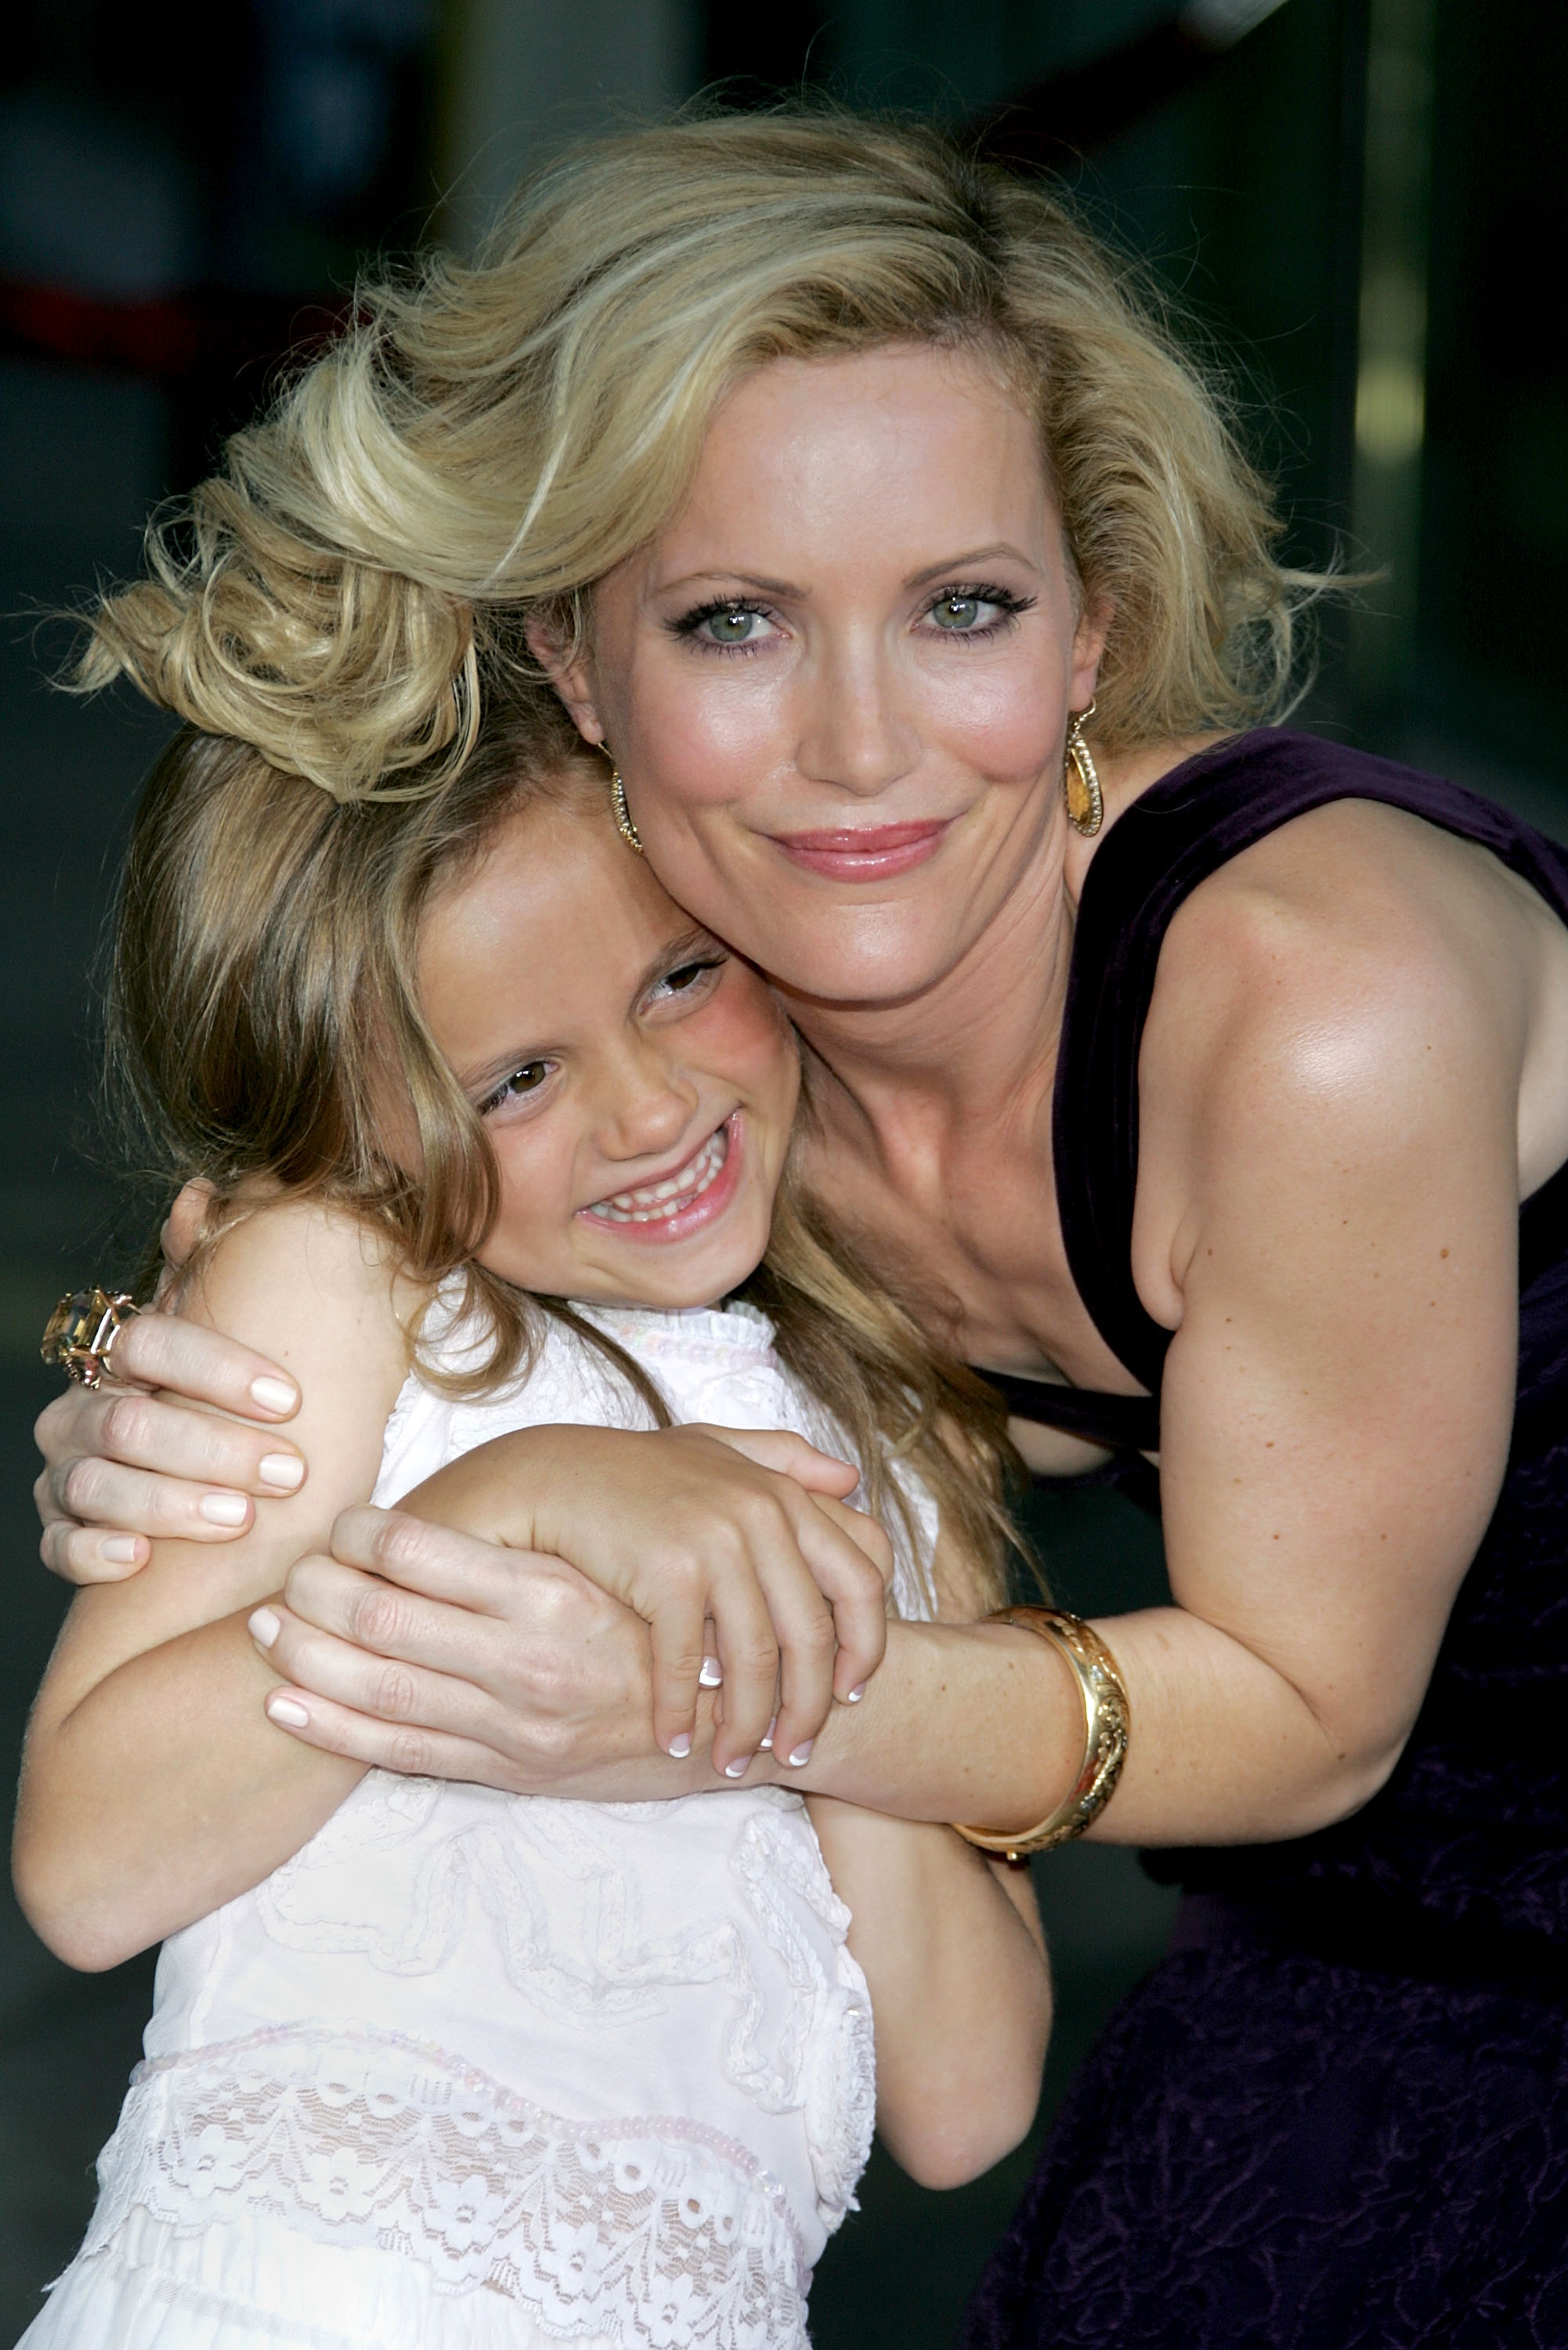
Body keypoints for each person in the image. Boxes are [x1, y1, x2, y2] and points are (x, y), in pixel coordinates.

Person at [35, 109, 1568, 2343]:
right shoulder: (738, 1070)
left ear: (1090, 632)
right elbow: (472, 1290)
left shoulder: (1308, 1000)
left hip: (1359, 1815)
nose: (856, 749)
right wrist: (189, 1413)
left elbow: (1302, 1711)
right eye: (738, 620)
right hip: (1360, 1915)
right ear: (576, 657)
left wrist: (673, 1676)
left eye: (961, 606)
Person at [15, 682, 1050, 2348]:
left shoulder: (893, 1432)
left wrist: (826, 1674)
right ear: (364, 1124)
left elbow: (966, 2103)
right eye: (513, 1082)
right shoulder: (355, 1288)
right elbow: (90, 1860)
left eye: (680, 978)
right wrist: (510, 1503)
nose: (645, 1113)